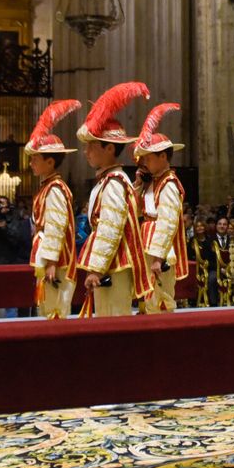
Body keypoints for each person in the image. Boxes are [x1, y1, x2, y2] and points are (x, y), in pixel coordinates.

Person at [74, 82, 153, 317]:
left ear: (109, 149)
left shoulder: (114, 182)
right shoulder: (110, 180)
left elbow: (111, 227)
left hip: (115, 265)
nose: (86, 152)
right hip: (113, 263)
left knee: (113, 321)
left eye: (91, 147)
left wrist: (97, 269)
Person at [25, 99, 83, 318]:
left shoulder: (55, 189)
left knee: (55, 311)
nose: (31, 164)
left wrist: (51, 262)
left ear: (50, 162)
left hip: (57, 262)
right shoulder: (48, 187)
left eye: (35, 159)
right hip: (49, 258)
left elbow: (56, 227)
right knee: (47, 309)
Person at [134, 102, 189, 315]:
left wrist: (158, 257)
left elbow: (168, 222)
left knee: (161, 299)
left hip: (160, 248)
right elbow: (134, 211)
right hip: (146, 241)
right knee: (148, 299)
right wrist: (138, 185)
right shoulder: (152, 182)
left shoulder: (169, 184)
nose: (145, 162)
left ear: (163, 157)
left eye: (148, 157)